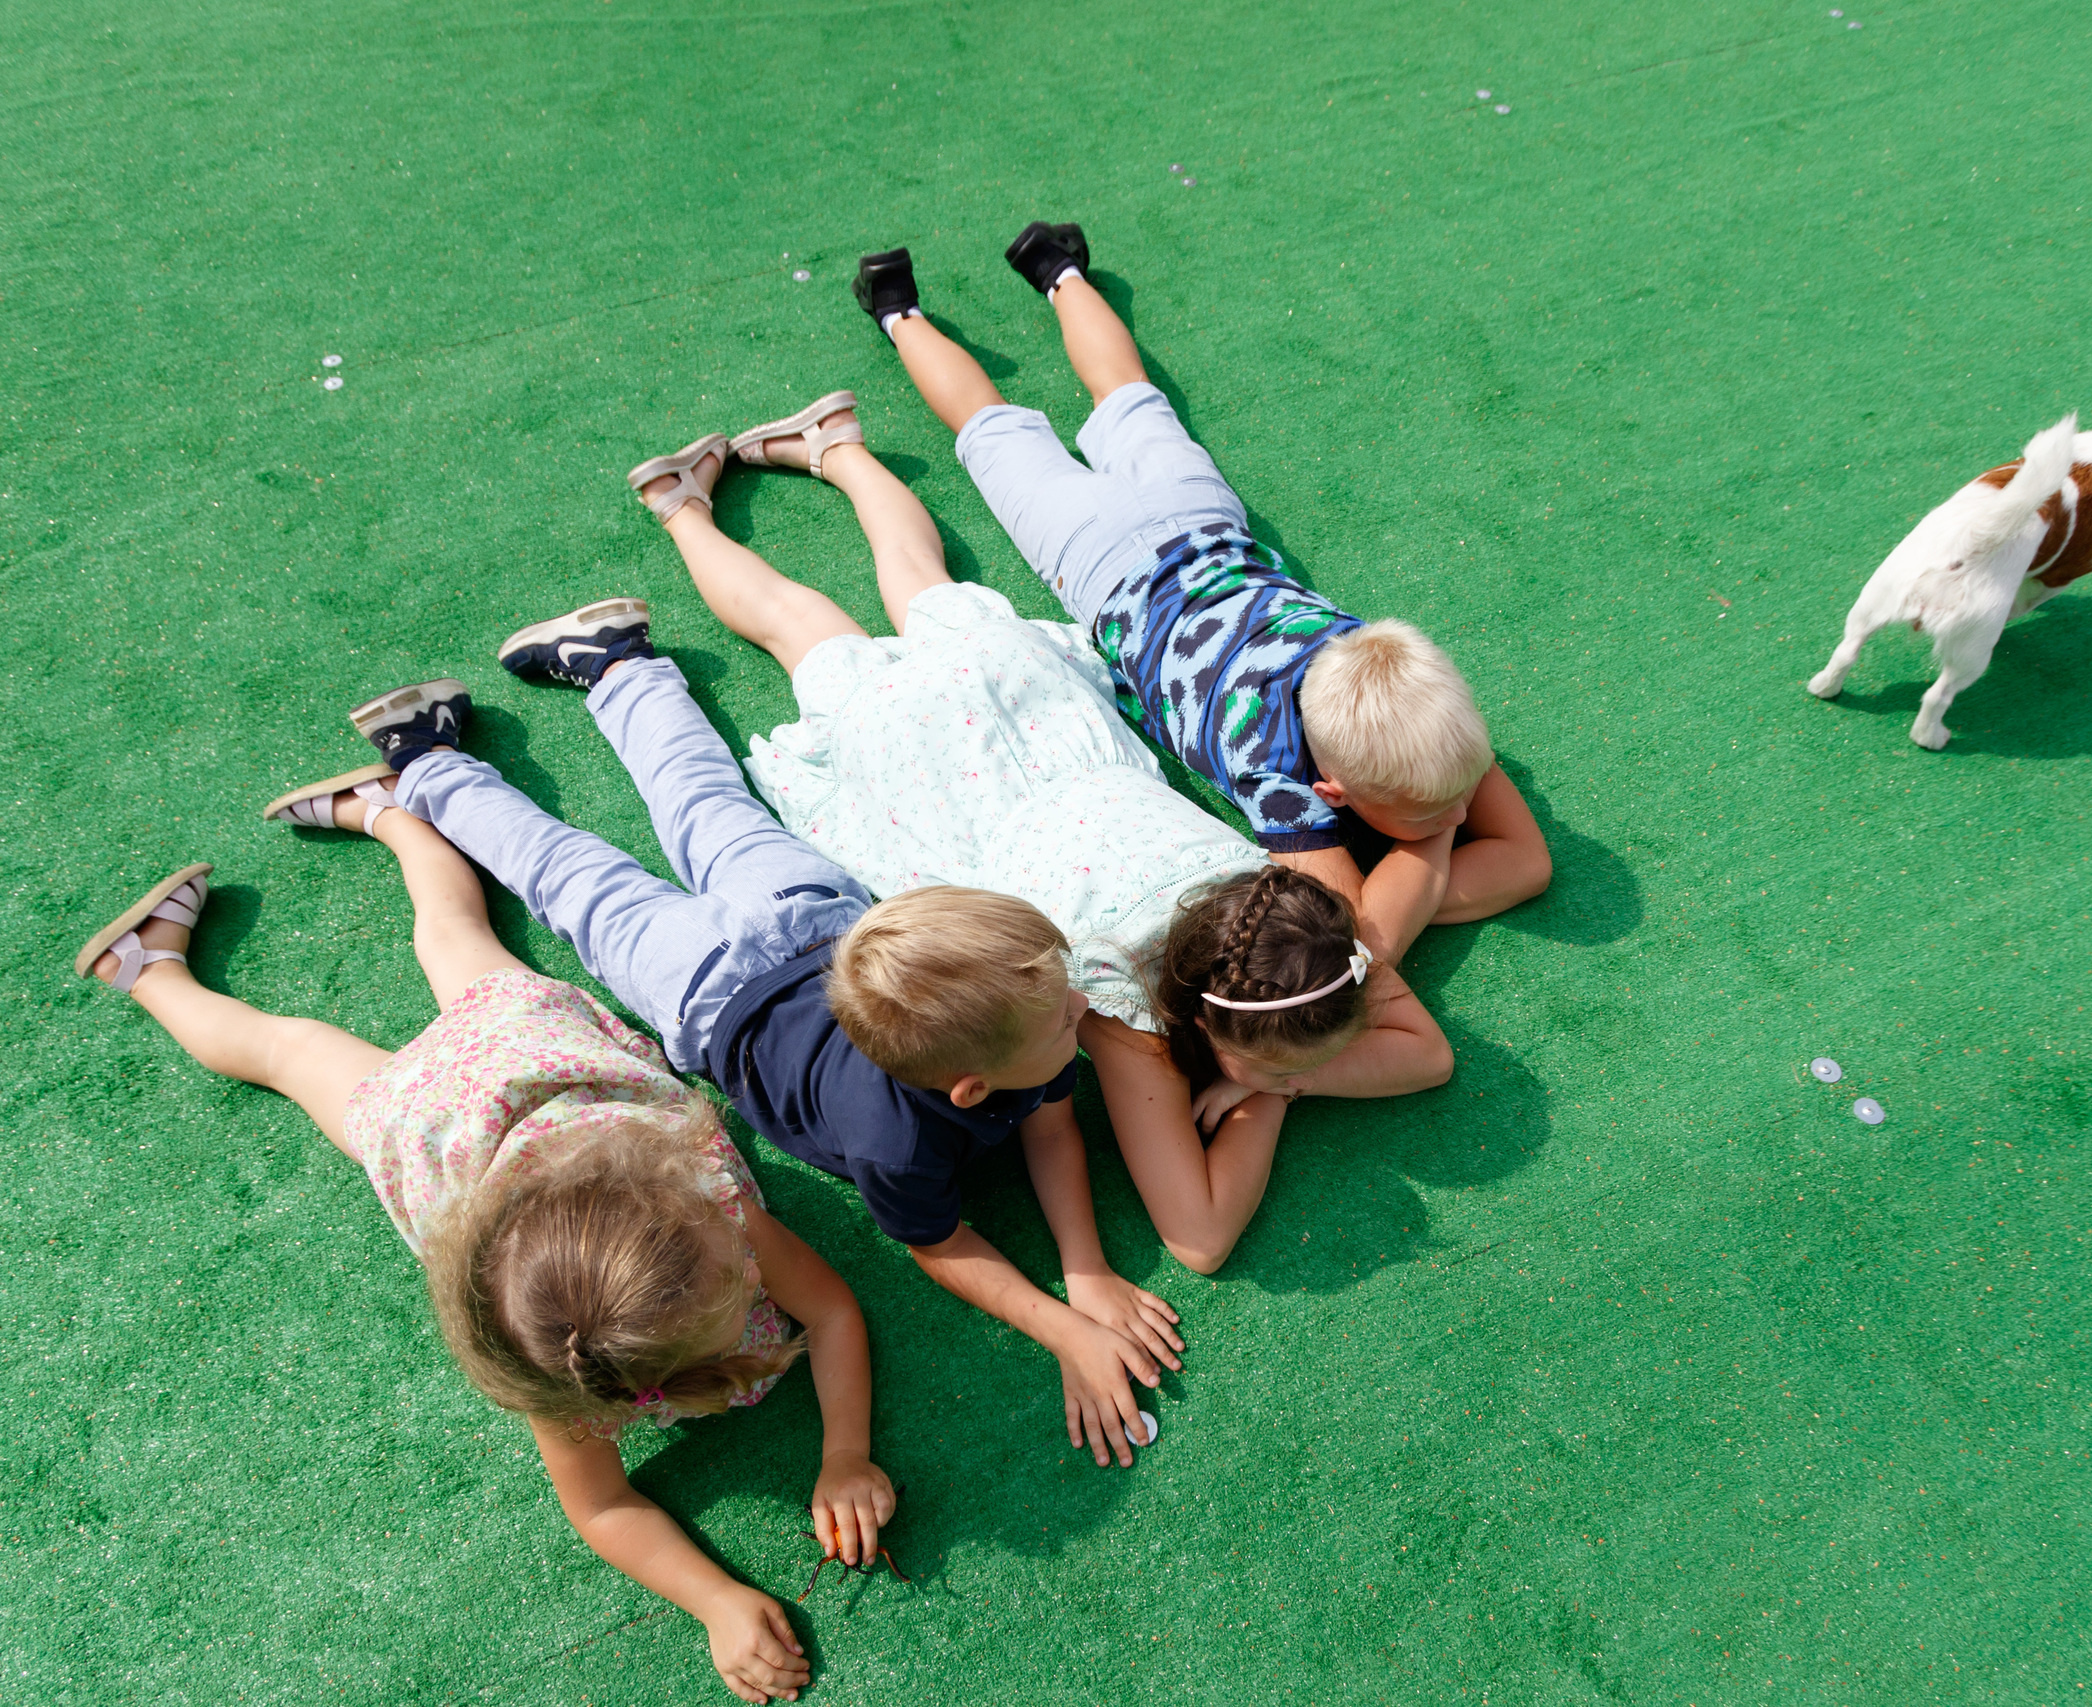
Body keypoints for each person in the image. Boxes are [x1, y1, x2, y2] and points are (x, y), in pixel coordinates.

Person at [302, 576, 1182, 1471]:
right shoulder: (896, 1143)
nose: (1085, 1005)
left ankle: (524, 706)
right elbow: (940, 1242)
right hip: (708, 986)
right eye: (1066, 1003)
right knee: (594, 860)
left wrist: (1087, 1268)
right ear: (970, 1086)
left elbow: (1051, 1123)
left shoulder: (1012, 1029)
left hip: (813, 922)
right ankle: (465, 742)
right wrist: (1060, 1327)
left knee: (672, 816)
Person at [617, 388, 1453, 1278]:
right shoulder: (1120, 1001)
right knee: (807, 628)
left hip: (1034, 716)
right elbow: (1198, 1237)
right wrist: (1272, 1091)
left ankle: (820, 452)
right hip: (935, 779)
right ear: (1214, 1023)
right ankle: (684, 509)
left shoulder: (1296, 921)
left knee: (908, 576)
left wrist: (1278, 1070)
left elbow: (1427, 1055)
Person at [72, 813, 886, 1706]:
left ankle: (395, 813)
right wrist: (715, 1599)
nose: (747, 1262)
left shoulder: (703, 1211)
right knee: (288, 1048)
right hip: (432, 1123)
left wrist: (845, 1452)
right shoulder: (562, 1363)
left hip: (538, 1058)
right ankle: (147, 970)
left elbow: (833, 1309)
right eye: (739, 1282)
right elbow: (602, 1505)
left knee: (457, 938)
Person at [846, 227, 1554, 966]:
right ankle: (949, 299)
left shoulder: (1398, 702)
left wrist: (1424, 830)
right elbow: (1360, 940)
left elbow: (1525, 866)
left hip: (1195, 518)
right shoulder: (1274, 766)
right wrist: (1433, 846)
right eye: (1444, 809)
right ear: (1331, 791)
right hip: (1100, 562)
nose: (1466, 809)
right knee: (1008, 423)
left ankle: (988, 285)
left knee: (1099, 396)